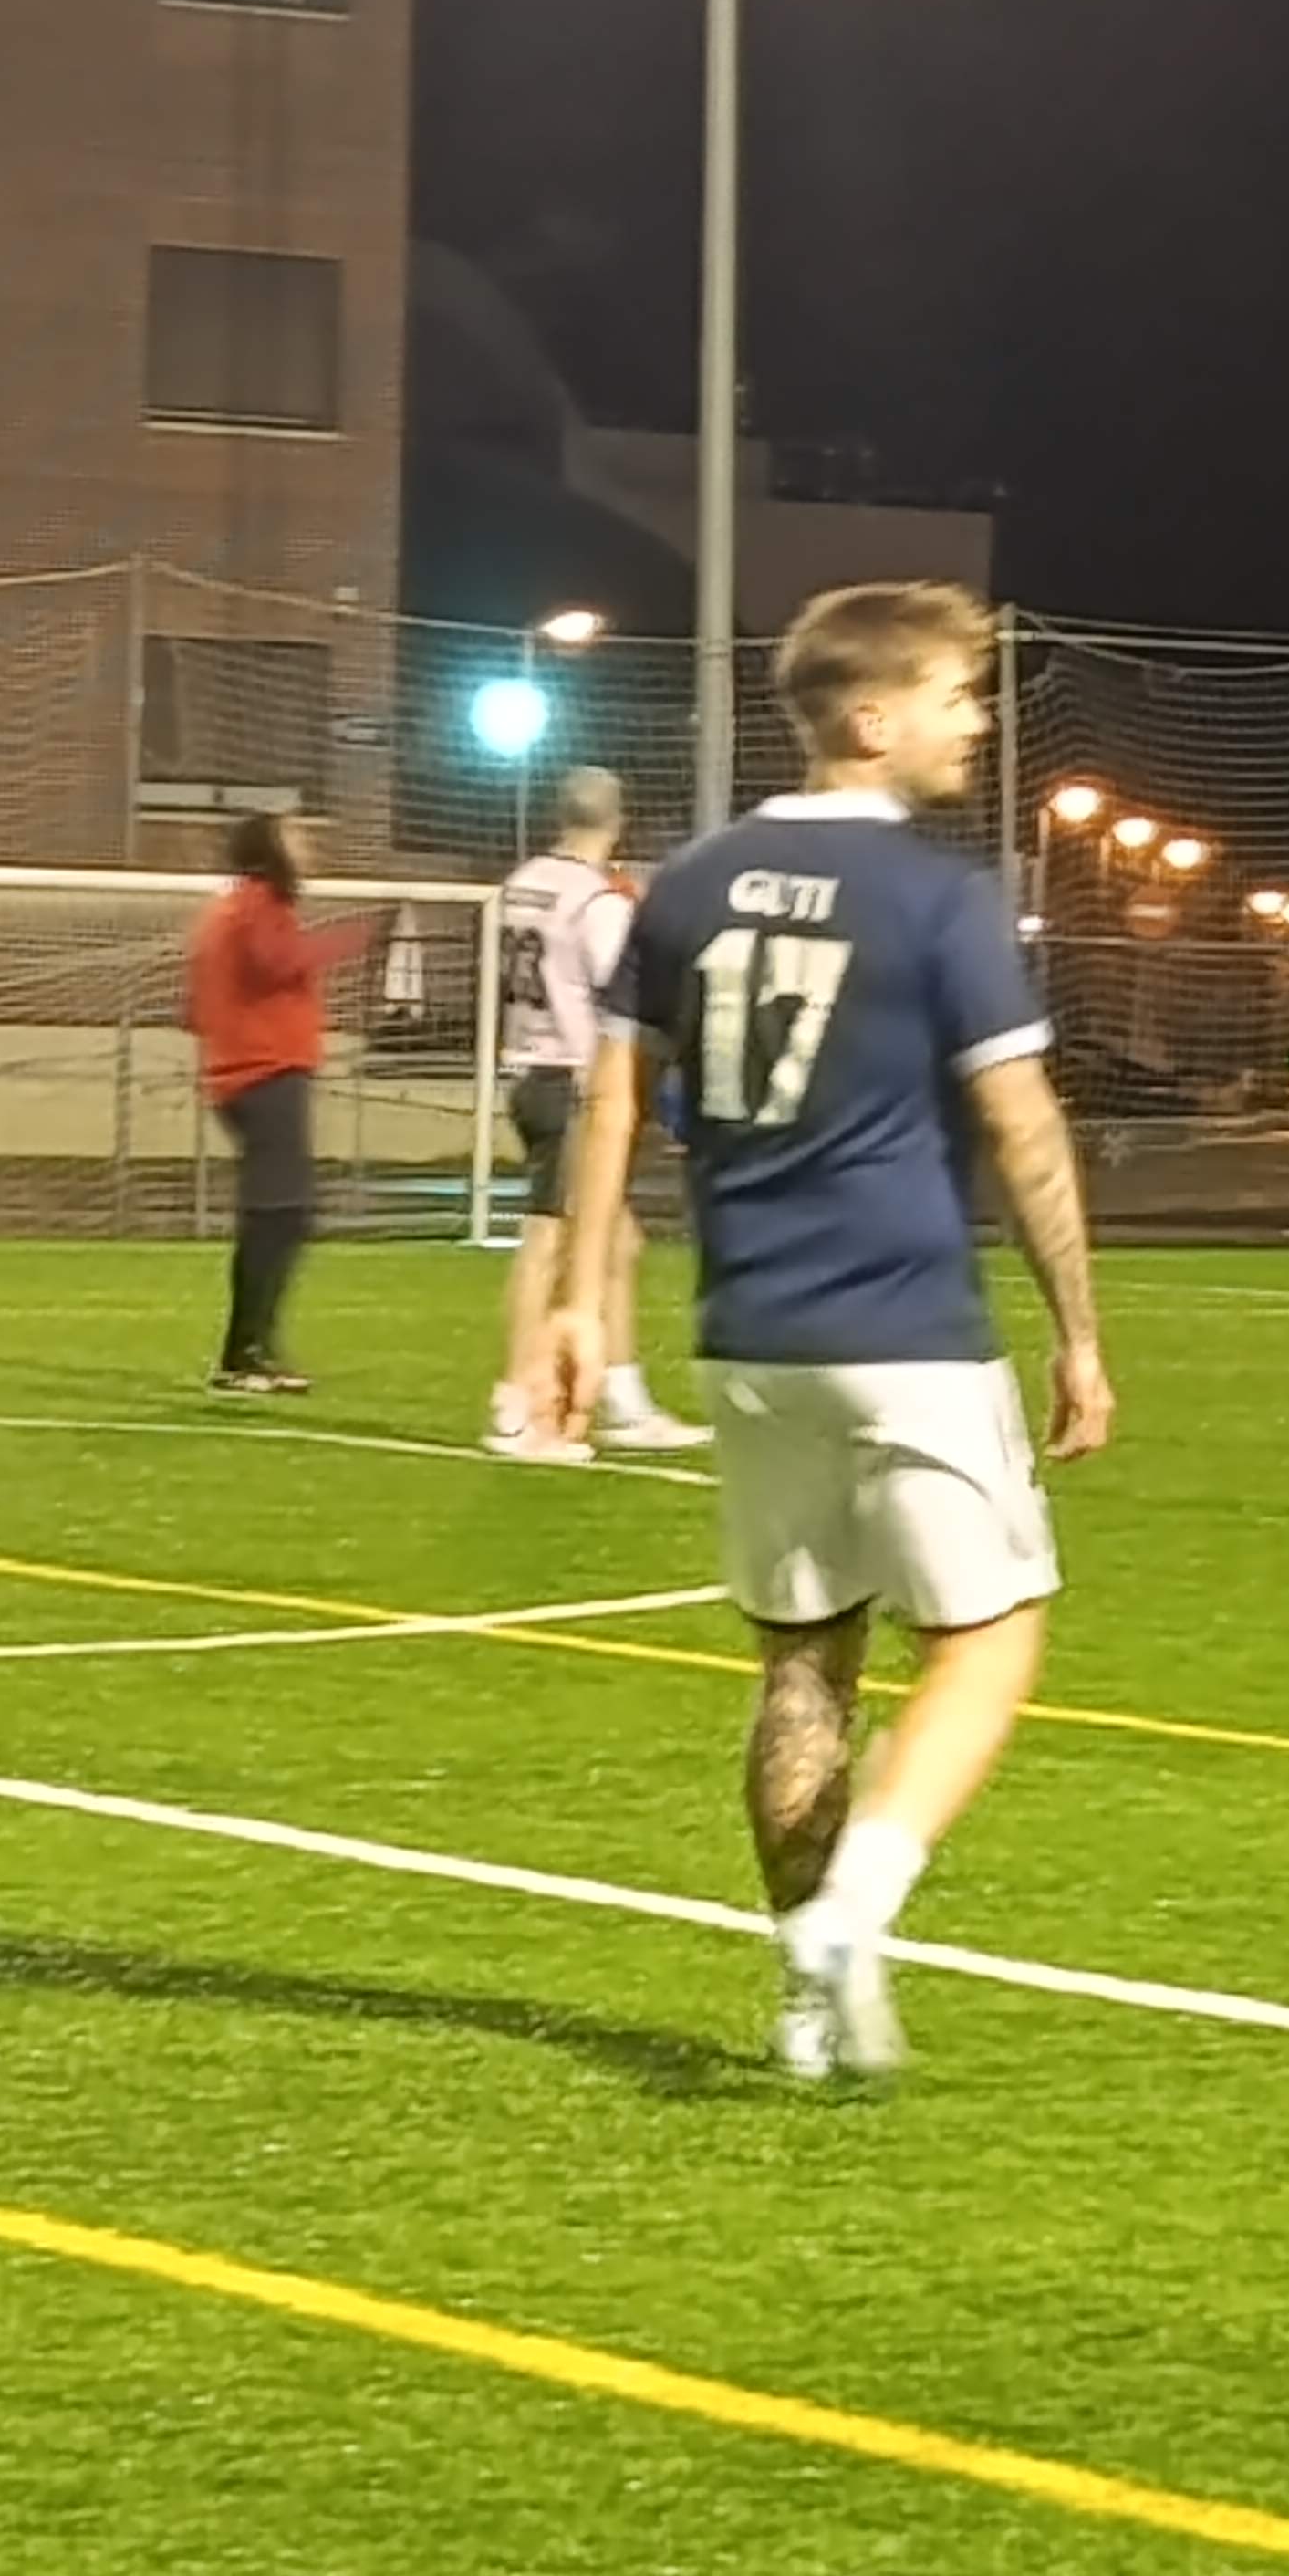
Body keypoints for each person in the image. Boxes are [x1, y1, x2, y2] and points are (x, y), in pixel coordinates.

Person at [549, 580, 1115, 2083]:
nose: (974, 722)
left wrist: (574, 1303)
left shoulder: (686, 884)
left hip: (748, 1333)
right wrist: (1078, 1328)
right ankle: (858, 1908)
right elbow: (1023, 1126)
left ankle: (805, 2003)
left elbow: (614, 1103)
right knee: (990, 1641)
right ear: (872, 719)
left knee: (804, 1664)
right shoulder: (940, 898)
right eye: (953, 696)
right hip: (908, 1327)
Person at [483, 767, 707, 1463]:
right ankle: (518, 1406)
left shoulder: (524, 881)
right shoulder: (599, 900)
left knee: (617, 1243)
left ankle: (624, 1399)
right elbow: (627, 996)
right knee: (549, 1242)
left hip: (530, 1069)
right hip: (574, 1079)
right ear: (620, 820)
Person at [185, 814, 373, 1396]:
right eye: (294, 836)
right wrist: (342, 943)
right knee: (280, 1214)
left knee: (279, 1214)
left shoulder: (231, 907)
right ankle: (245, 1354)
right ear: (270, 849)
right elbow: (273, 963)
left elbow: (196, 1001)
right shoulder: (256, 904)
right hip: (263, 1073)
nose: (306, 845)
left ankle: (249, 1350)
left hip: (247, 1072)